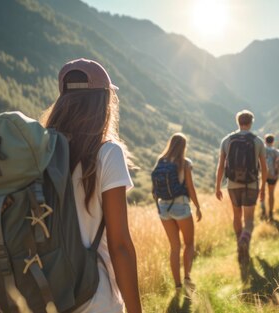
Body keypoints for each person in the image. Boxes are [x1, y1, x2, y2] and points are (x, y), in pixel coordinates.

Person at [41, 58, 142, 313]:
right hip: (94, 297)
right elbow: (120, 245)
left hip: (45, 295)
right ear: (104, 102)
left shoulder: (40, 151)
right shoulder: (107, 153)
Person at [215, 110, 267, 266]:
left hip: (232, 185)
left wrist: (218, 186)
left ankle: (240, 245)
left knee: (236, 216)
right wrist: (263, 187)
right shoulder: (257, 141)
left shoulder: (227, 140)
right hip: (251, 184)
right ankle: (245, 242)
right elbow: (264, 168)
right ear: (251, 122)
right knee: (249, 220)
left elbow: (221, 166)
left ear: (238, 122)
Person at [153, 133, 202, 293]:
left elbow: (154, 189)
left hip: (163, 208)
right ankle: (187, 278)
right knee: (189, 243)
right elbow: (190, 187)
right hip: (180, 206)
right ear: (183, 147)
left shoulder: (160, 160)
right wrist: (198, 207)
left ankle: (178, 286)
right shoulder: (184, 163)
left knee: (174, 247)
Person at [261, 134, 279, 221]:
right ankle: (270, 213)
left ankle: (263, 211)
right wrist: (277, 173)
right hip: (273, 175)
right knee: (271, 194)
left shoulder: (262, 150)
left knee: (262, 192)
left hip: (263, 174)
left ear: (265, 141)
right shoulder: (277, 152)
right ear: (273, 141)